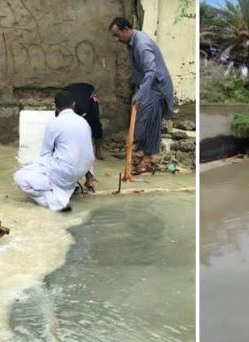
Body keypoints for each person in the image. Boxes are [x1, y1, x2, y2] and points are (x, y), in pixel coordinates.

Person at [109, 17, 174, 175]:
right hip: (148, 87)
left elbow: (151, 71)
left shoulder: (141, 44)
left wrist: (140, 94)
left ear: (126, 30)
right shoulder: (132, 42)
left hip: (156, 88)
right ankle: (146, 155)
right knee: (141, 124)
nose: (116, 39)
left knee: (148, 123)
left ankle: (147, 160)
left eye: (117, 35)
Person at [14, 90, 95, 212]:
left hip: (65, 173)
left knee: (20, 177)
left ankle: (57, 202)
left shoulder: (54, 123)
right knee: (59, 165)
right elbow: (88, 152)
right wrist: (89, 179)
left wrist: (32, 166)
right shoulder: (84, 122)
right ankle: (66, 189)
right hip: (80, 172)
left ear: (55, 107)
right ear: (73, 105)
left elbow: (45, 154)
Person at [64, 82, 104, 159]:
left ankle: (98, 150)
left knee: (96, 126)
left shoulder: (90, 105)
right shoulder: (66, 109)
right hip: (73, 97)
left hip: (87, 104)